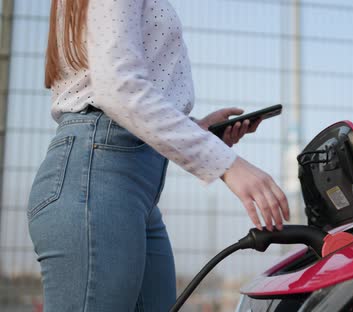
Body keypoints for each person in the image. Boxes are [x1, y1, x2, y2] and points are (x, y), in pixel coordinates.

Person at [27, 0, 290, 311]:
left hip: (124, 186)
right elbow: (117, 88)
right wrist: (227, 164)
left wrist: (196, 129)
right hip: (95, 179)